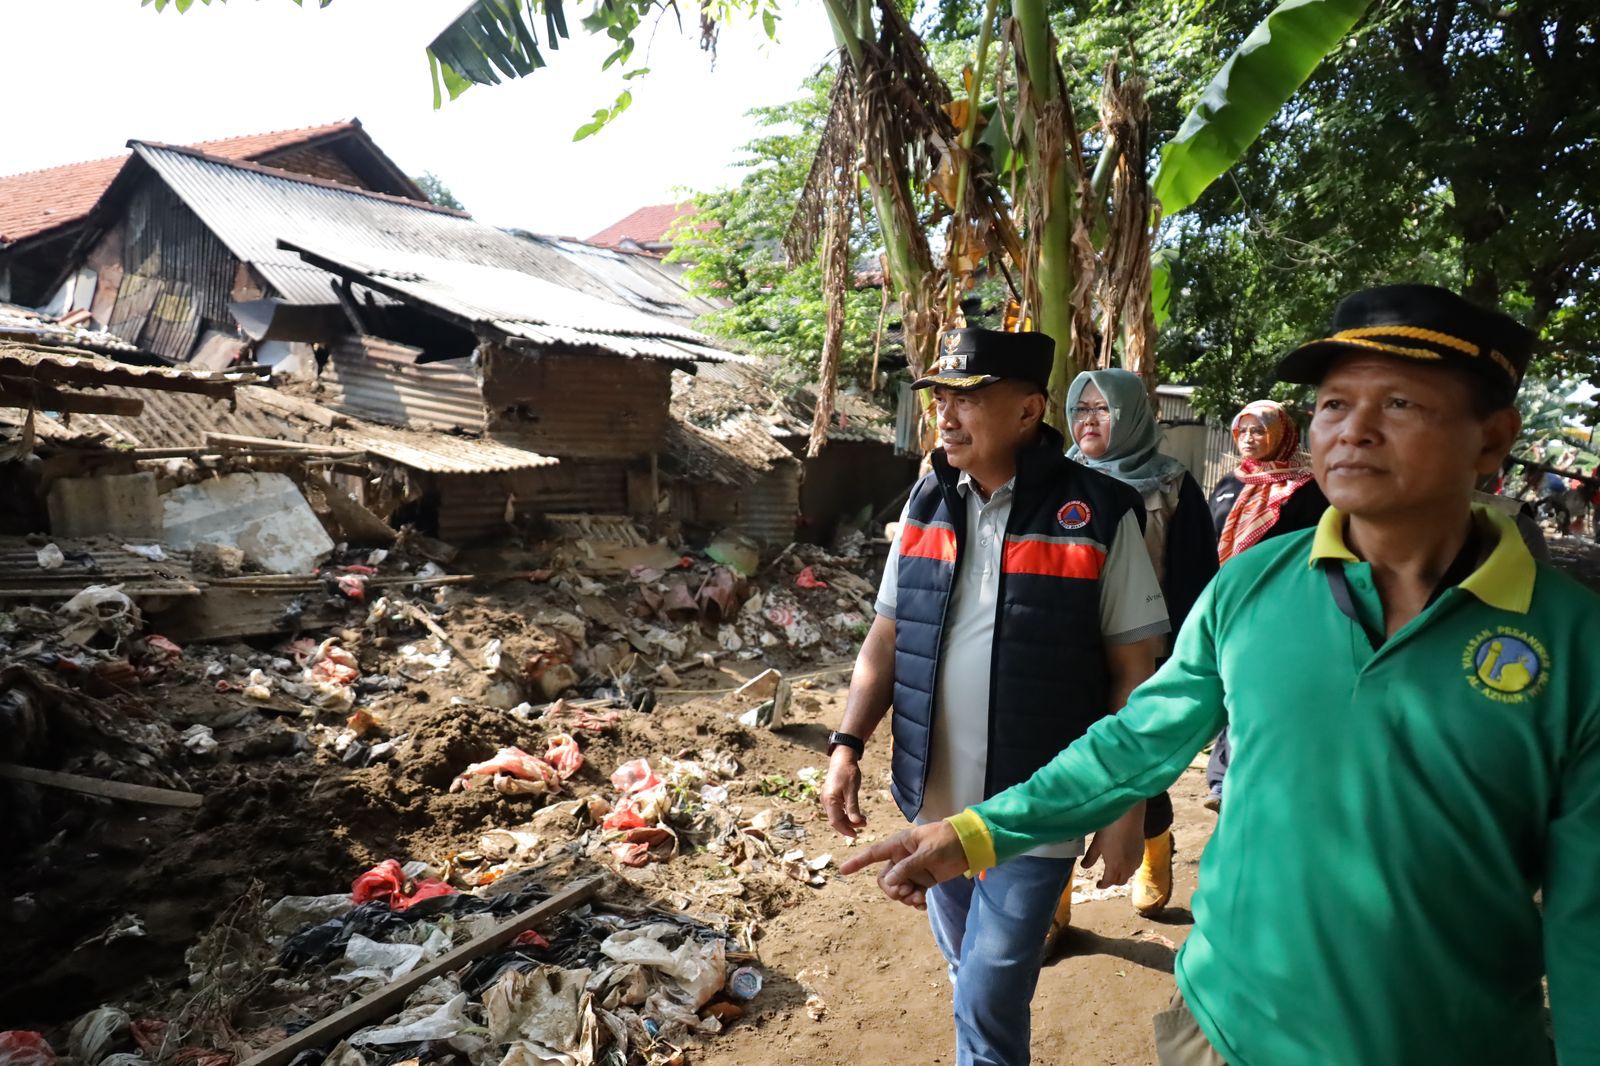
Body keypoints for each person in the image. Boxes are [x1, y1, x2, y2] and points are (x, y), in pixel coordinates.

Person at [841, 284, 1600, 1066]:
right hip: (1224, 1033)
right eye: (1335, 404)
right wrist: (973, 832)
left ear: (1493, 440)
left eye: (1400, 404)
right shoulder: (1255, 587)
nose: (1353, 431)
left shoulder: (1576, 648)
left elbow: (1588, 930)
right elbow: (1137, 741)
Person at [821, 327, 1169, 1066]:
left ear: (1027, 411)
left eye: (970, 398)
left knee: (989, 988)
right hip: (932, 796)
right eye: (941, 397)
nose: (947, 415)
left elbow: (1135, 669)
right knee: (964, 971)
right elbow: (885, 640)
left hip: (1039, 804)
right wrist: (846, 745)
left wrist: (1123, 804)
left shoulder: (1099, 511)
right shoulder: (924, 502)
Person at [1057, 368, 1217, 923]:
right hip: (1071, 642)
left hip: (1149, 645)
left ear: (1130, 417)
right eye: (1081, 410)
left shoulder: (1171, 483)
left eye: (1104, 410)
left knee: (1135, 754)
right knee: (1062, 754)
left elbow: (1198, 576)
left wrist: (1186, 657)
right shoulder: (1060, 476)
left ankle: (1156, 841)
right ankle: (1052, 891)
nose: (1090, 421)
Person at [1204, 399, 1328, 808]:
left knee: (1261, 691)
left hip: (1283, 610)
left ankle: (1247, 776)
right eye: (1242, 431)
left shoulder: (1308, 491)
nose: (1249, 439)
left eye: (1259, 431)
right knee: (1228, 688)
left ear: (1281, 435)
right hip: (1228, 607)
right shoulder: (1229, 484)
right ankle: (1224, 777)